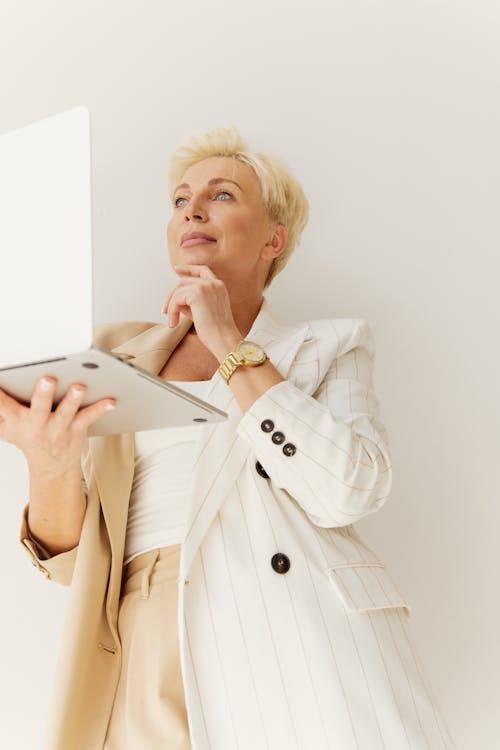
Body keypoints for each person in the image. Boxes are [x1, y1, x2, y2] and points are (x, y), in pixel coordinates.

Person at [3, 127, 458, 749]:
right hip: (144, 631)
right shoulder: (109, 356)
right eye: (180, 200)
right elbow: (73, 567)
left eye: (221, 194)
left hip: (293, 629)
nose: (191, 209)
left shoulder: (327, 345)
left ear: (275, 238)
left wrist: (230, 347)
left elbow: (349, 490)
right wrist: (47, 462)